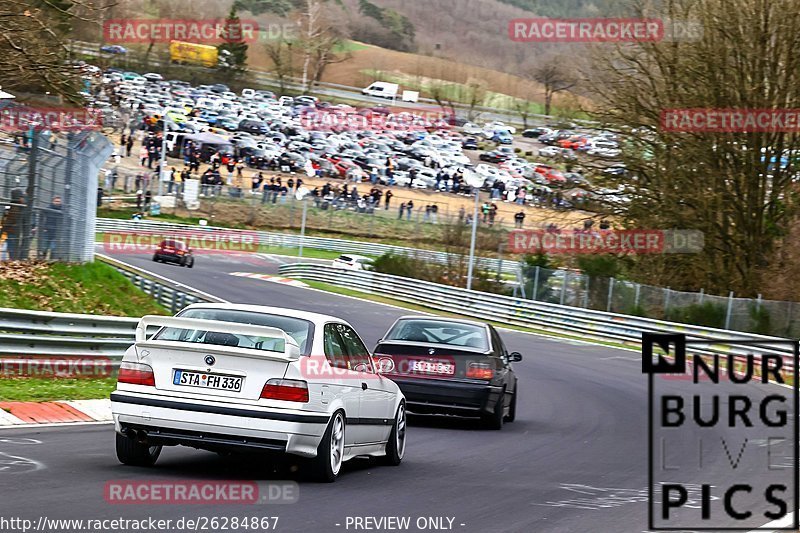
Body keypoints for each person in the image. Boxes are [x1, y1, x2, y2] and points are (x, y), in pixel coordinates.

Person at [1, 189, 26, 260]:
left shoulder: (15, 206)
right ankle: (13, 260)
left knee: (11, 247)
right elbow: (8, 218)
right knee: (11, 247)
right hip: (12, 230)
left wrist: (3, 228)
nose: (23, 198)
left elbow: (8, 218)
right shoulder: (14, 207)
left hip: (12, 230)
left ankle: (13, 260)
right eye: (21, 197)